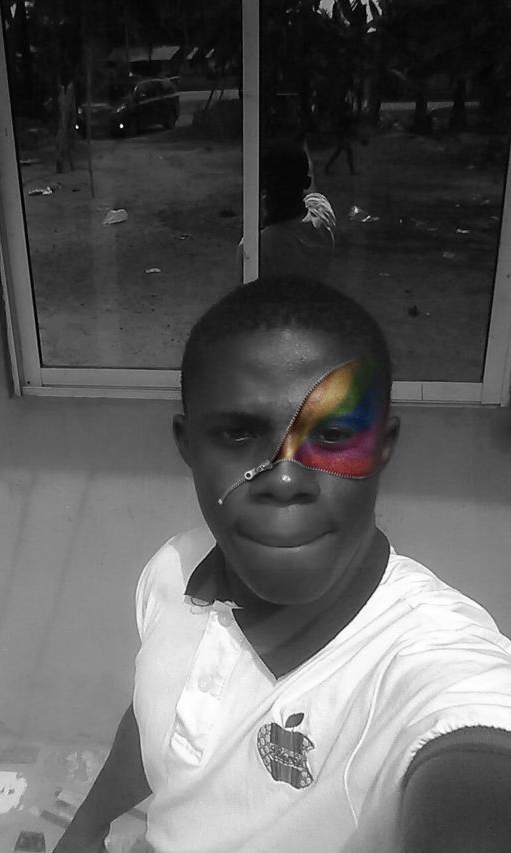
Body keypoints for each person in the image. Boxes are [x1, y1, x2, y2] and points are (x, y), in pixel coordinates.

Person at [54, 275, 511, 853]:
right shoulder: (173, 570)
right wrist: (87, 827)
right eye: (238, 434)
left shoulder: (433, 664)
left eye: (335, 434)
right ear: (187, 443)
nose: (286, 479)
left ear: (383, 445)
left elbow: (475, 765)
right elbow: (159, 720)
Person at [237, 140, 336, 283]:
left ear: (263, 186)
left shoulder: (254, 249)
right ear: (306, 183)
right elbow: (313, 197)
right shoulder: (323, 217)